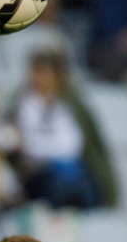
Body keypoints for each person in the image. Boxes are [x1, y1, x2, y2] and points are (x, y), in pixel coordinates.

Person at [6, 50, 118, 209]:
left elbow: (83, 145)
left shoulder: (73, 106)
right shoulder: (20, 104)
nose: (37, 78)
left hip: (74, 169)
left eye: (43, 72)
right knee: (63, 182)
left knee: (80, 182)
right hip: (35, 172)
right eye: (34, 71)